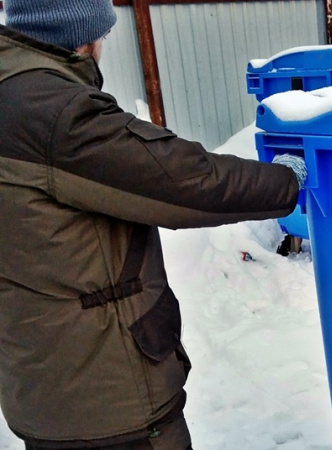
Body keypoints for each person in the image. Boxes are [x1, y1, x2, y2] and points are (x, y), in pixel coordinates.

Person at [0, 0, 307, 448]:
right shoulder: (59, 115)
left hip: (41, 381)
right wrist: (285, 181)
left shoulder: (10, 93)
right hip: (109, 396)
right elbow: (185, 180)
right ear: (84, 37)